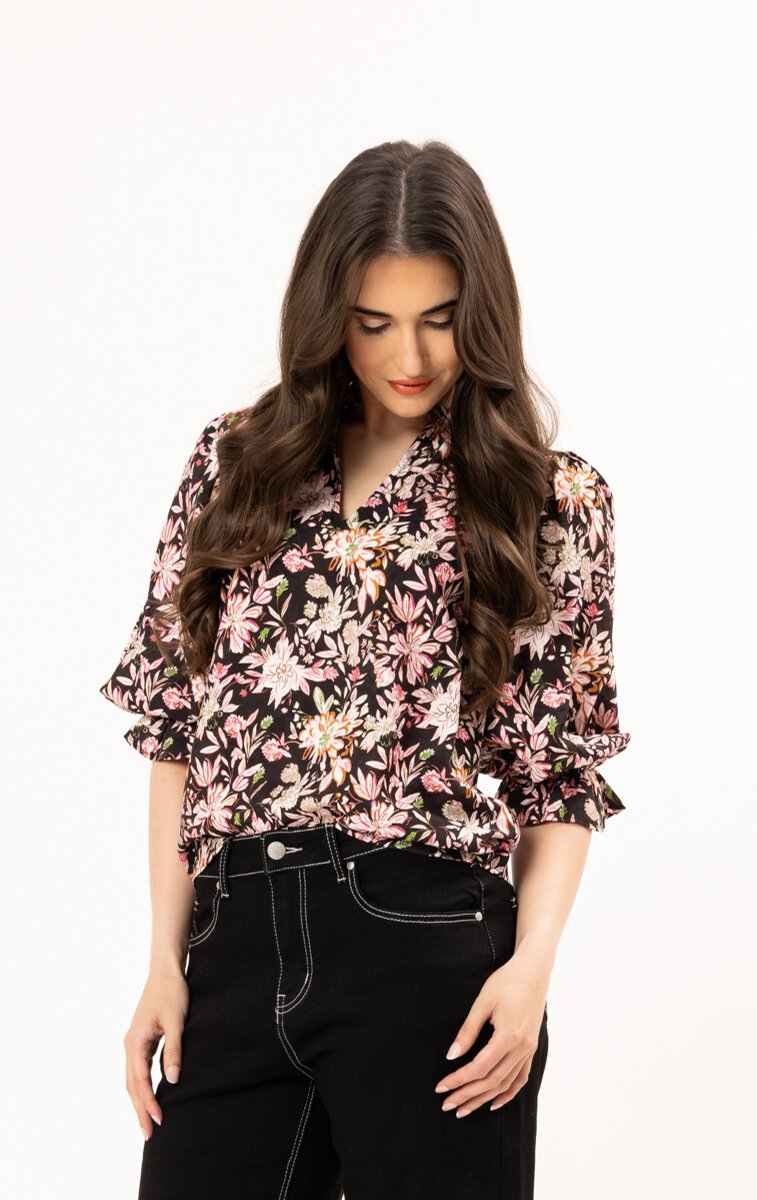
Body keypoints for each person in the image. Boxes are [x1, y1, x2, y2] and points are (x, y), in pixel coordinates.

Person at [99, 139, 631, 1200]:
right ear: (325, 315)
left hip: (427, 945)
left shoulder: (546, 497)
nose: (410, 355)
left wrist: (529, 969)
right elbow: (175, 726)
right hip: (233, 940)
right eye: (373, 321)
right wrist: (165, 958)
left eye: (439, 318)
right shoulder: (234, 463)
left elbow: (558, 771)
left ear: (482, 314)